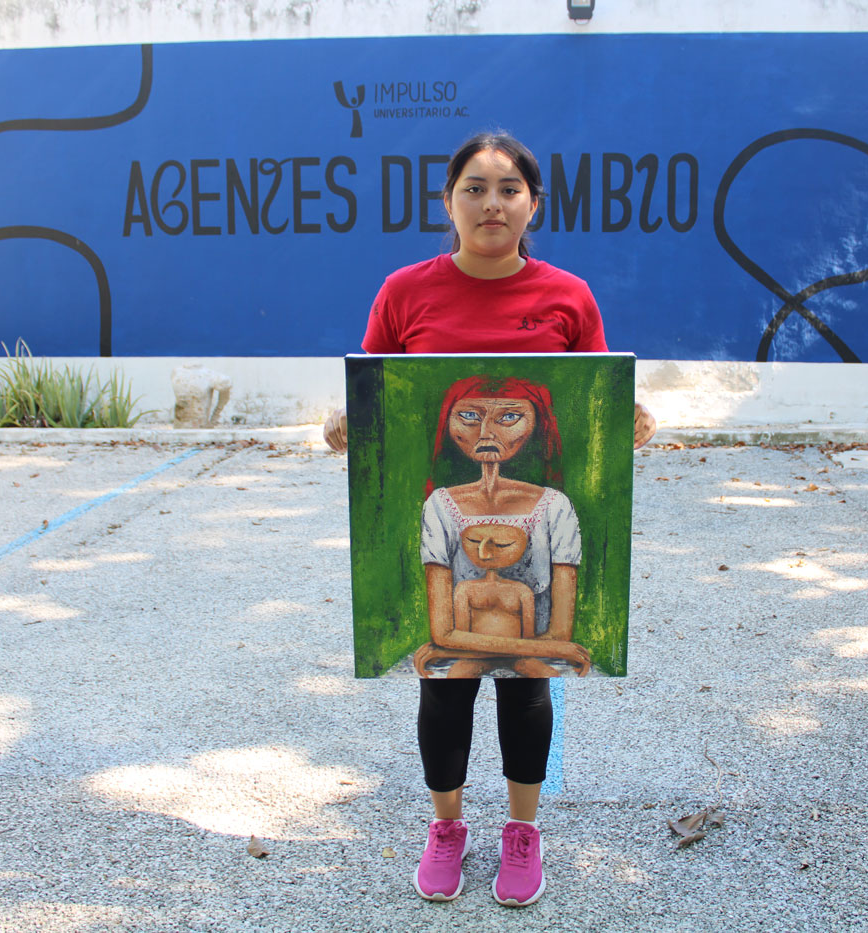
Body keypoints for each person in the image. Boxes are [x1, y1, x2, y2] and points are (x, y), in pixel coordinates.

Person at [323, 131, 656, 908]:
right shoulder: (404, 292)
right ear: (448, 202)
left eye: (509, 188)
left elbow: (594, 400)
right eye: (474, 187)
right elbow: (376, 392)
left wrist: (631, 419)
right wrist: (345, 423)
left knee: (527, 686)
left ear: (533, 203)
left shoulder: (569, 297)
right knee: (443, 688)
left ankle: (522, 831)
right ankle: (446, 828)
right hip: (440, 525)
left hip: (538, 532)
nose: (492, 203)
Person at [413, 375, 593, 680]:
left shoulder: (555, 507)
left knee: (539, 700)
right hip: (497, 655)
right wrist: (550, 649)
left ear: (537, 424)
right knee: (447, 697)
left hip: (507, 658)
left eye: (509, 417)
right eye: (468, 416)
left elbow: (560, 632)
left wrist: (459, 648)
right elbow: (442, 631)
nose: (486, 432)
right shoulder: (440, 506)